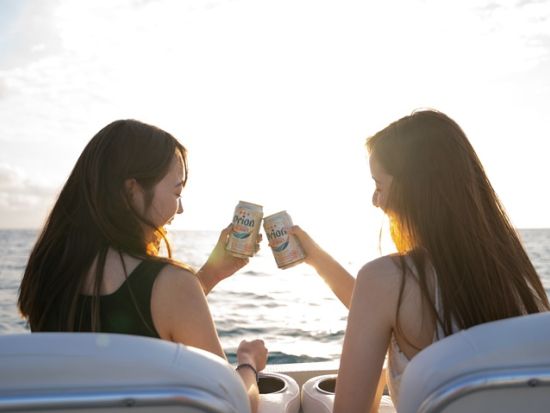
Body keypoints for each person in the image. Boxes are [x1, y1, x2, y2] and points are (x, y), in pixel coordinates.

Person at [291, 109, 550, 413]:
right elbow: (391, 308)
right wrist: (318, 259)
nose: (375, 201)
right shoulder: (513, 276)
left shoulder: (387, 282)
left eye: (379, 186)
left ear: (412, 190)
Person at [18, 119, 268, 413]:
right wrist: (248, 362)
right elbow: (234, 406)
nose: (180, 209)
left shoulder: (46, 272)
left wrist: (210, 275)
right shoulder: (173, 284)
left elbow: (135, 315)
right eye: (176, 192)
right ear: (131, 191)